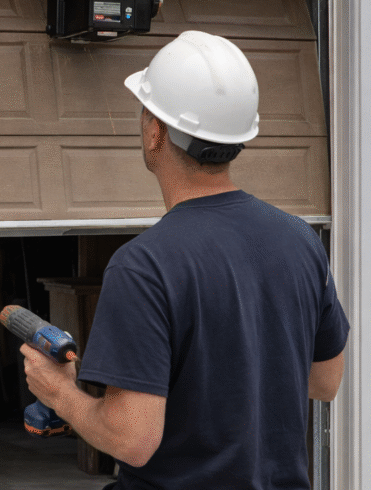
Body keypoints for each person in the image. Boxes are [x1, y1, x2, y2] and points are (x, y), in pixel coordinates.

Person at [21, 30, 349, 489]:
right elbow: (324, 382)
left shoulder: (144, 266)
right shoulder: (301, 241)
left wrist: (60, 393)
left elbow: (132, 437)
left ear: (155, 131)